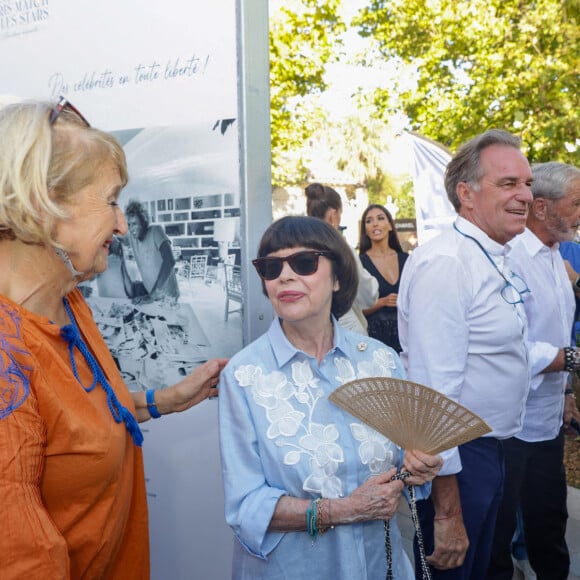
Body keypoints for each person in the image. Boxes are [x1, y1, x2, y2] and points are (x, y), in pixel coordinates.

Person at [0, 98, 227, 579]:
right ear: (44, 205)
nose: (122, 224)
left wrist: (163, 400)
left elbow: (80, 419)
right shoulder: (7, 363)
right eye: (110, 201)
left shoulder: (68, 299)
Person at [218, 215, 442, 579]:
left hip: (378, 564)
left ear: (338, 277)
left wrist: (418, 468)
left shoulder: (381, 361)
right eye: (271, 267)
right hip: (293, 569)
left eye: (303, 263)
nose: (286, 276)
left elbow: (407, 469)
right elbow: (246, 507)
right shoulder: (245, 376)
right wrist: (343, 509)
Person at [398, 129, 534, 578]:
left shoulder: (492, 255)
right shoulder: (447, 264)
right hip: (458, 465)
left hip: (489, 452)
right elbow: (434, 397)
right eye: (509, 184)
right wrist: (448, 513)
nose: (525, 196)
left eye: (528, 184)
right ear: (466, 193)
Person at [487, 161, 580, 579]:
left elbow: (556, 328)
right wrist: (573, 360)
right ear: (541, 208)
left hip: (547, 424)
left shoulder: (557, 256)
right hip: (509, 428)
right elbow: (512, 347)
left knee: (549, 527)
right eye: (576, 203)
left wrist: (565, 393)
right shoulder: (510, 259)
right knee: (498, 534)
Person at [304, 182, 378, 335]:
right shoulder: (341, 248)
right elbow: (367, 295)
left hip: (306, 327)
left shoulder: (298, 246)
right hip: (343, 327)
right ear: (333, 214)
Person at [358, 204, 408, 352]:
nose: (375, 224)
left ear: (390, 226)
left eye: (380, 218)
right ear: (365, 230)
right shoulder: (360, 263)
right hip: (375, 339)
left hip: (406, 336)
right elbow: (354, 310)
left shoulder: (406, 260)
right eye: (369, 221)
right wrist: (382, 302)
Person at [122, 198, 180, 303]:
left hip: (168, 296)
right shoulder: (132, 238)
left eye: (134, 224)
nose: (131, 229)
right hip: (152, 296)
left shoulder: (156, 231)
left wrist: (153, 295)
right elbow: (116, 237)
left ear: (143, 222)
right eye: (129, 224)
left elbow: (170, 260)